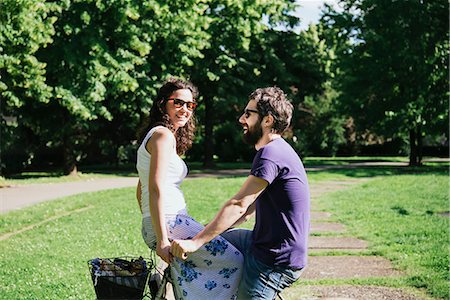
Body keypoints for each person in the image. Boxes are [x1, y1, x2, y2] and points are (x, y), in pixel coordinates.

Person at [171, 86, 310, 299]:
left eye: (248, 114)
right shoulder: (276, 150)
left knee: (203, 246)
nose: (241, 119)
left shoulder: (271, 154)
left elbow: (239, 204)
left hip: (274, 260)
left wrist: (195, 242)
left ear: (267, 120)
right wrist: (207, 232)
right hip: (261, 242)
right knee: (219, 243)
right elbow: (248, 210)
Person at [136, 77, 243, 299]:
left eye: (190, 105)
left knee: (190, 271)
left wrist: (150, 221)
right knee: (234, 260)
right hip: (169, 222)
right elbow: (154, 188)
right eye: (178, 103)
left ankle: (168, 282)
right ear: (162, 103)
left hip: (164, 222)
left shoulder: (158, 135)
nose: (185, 109)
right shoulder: (163, 136)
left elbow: (141, 187)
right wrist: (163, 237)